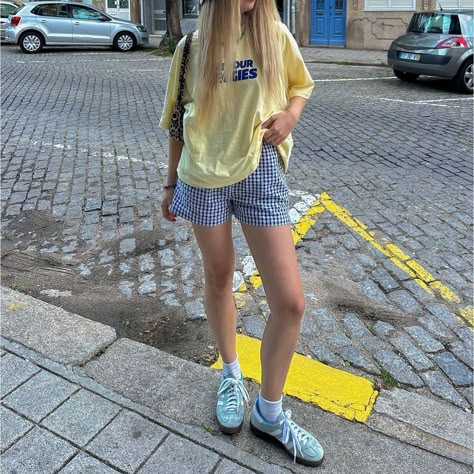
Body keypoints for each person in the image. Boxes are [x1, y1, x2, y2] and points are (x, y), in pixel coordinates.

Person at [160, 0, 324, 467]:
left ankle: (269, 414)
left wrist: (291, 115)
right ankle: (231, 374)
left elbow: (301, 85)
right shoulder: (193, 46)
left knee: (290, 301)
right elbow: (177, 120)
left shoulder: (275, 36)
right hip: (202, 178)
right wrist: (170, 183)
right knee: (219, 278)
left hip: (259, 173)